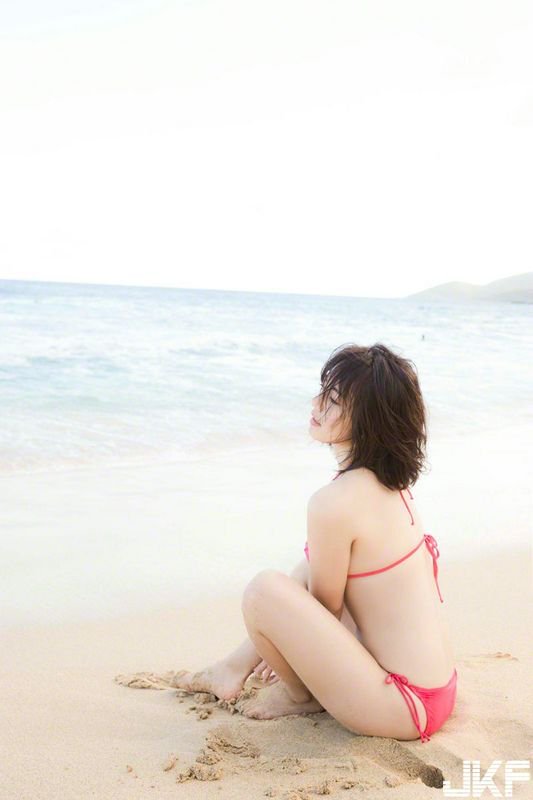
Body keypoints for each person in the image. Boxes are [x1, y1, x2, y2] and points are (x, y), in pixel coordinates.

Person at [173, 342, 457, 742]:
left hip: (402, 708)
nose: (316, 404)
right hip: (437, 691)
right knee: (311, 565)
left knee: (263, 591)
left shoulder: (333, 503)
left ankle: (300, 696)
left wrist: (283, 647)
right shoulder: (392, 486)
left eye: (334, 400)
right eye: (323, 391)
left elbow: (324, 613)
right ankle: (232, 667)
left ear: (368, 421)